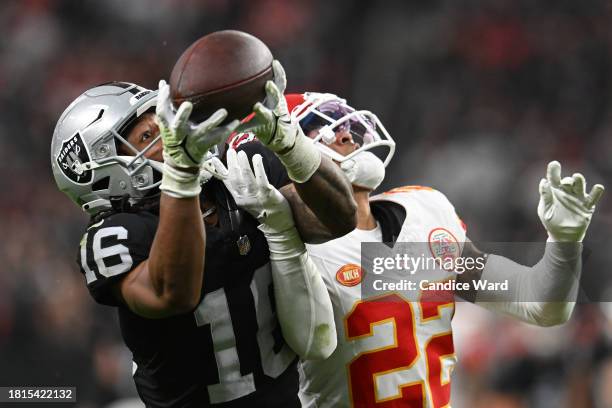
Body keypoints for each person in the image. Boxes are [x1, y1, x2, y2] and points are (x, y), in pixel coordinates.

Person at [50, 61, 356, 407]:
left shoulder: (237, 172)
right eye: (147, 137)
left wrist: (290, 143)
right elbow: (172, 294)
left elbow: (338, 220)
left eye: (161, 120)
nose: (171, 136)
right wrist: (182, 174)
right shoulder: (116, 235)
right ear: (105, 172)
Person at [270, 92, 605, 407]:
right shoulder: (291, 252)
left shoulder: (424, 213)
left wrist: (564, 241)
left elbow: (541, 305)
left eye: (345, 126)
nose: (348, 136)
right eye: (322, 132)